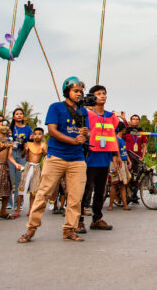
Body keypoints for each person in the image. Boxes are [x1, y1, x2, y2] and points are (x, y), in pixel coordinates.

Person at [18, 77, 90, 243]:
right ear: (67, 91)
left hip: (77, 158)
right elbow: (52, 131)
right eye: (76, 90)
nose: (79, 93)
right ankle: (31, 228)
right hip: (56, 156)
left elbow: (88, 135)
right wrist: (73, 140)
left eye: (81, 91)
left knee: (76, 196)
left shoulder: (83, 111)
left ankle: (69, 229)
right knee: (44, 192)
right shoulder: (56, 107)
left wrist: (86, 134)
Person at [81, 84, 116, 232]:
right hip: (90, 157)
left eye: (104, 93)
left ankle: (97, 218)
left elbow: (113, 137)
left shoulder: (111, 116)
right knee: (86, 189)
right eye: (98, 93)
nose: (102, 96)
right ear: (92, 97)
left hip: (104, 157)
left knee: (101, 190)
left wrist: (116, 156)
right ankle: (79, 219)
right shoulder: (86, 114)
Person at [8, 107, 31, 217]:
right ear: (13, 116)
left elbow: (30, 141)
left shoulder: (27, 128)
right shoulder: (10, 128)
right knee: (9, 178)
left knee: (20, 180)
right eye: (17, 114)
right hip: (11, 153)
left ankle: (19, 203)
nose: (19, 115)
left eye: (21, 114)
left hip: (22, 154)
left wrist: (27, 149)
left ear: (23, 116)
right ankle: (8, 202)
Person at [20, 128, 46, 215]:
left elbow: (46, 156)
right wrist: (25, 149)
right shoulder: (29, 144)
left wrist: (44, 151)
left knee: (33, 190)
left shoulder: (43, 145)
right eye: (36, 134)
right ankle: (17, 210)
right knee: (21, 188)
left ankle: (30, 210)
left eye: (39, 134)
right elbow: (23, 155)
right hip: (28, 166)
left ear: (42, 135)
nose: (37, 135)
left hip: (37, 167)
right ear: (33, 135)